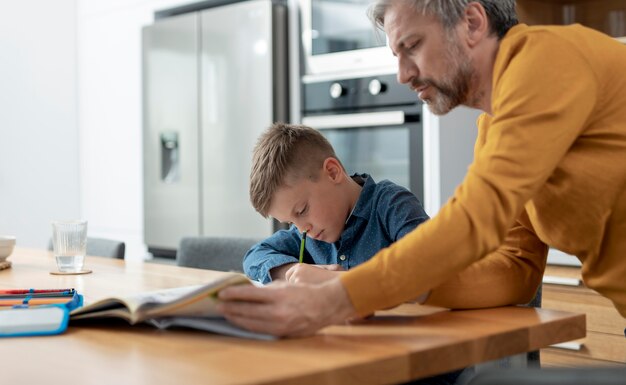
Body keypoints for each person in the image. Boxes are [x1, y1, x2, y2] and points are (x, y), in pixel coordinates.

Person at [217, 0, 626, 338]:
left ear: (471, 21)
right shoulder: (493, 130)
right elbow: (516, 270)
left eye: (412, 46)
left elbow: (472, 221)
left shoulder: (545, 61)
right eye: (397, 56)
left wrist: (344, 294)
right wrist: (387, 290)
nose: (402, 74)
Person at [243, 122, 430, 285]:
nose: (302, 229)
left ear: (332, 172)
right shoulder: (307, 233)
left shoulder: (393, 205)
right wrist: (292, 273)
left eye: (302, 210)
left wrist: (338, 281)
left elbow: (428, 267)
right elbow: (255, 255)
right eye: (291, 222)